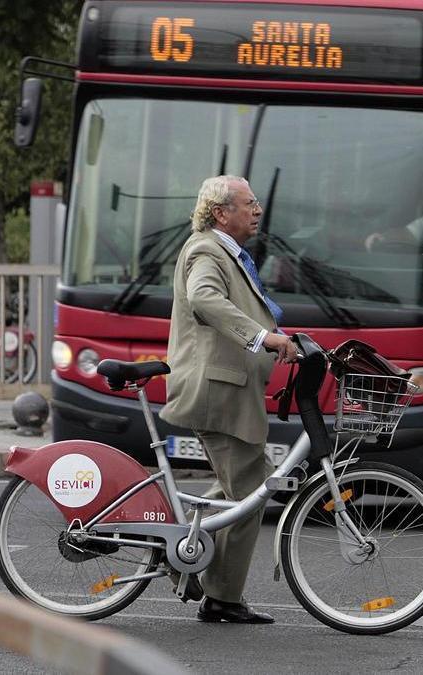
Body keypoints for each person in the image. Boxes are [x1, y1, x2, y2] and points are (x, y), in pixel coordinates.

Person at [160, 175, 297, 625]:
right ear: (221, 212)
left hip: (232, 389)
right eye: (249, 203)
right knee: (250, 494)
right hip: (217, 390)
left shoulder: (228, 252)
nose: (257, 210)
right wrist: (262, 337)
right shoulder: (206, 250)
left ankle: (181, 549)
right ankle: (220, 597)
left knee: (245, 483)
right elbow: (203, 298)